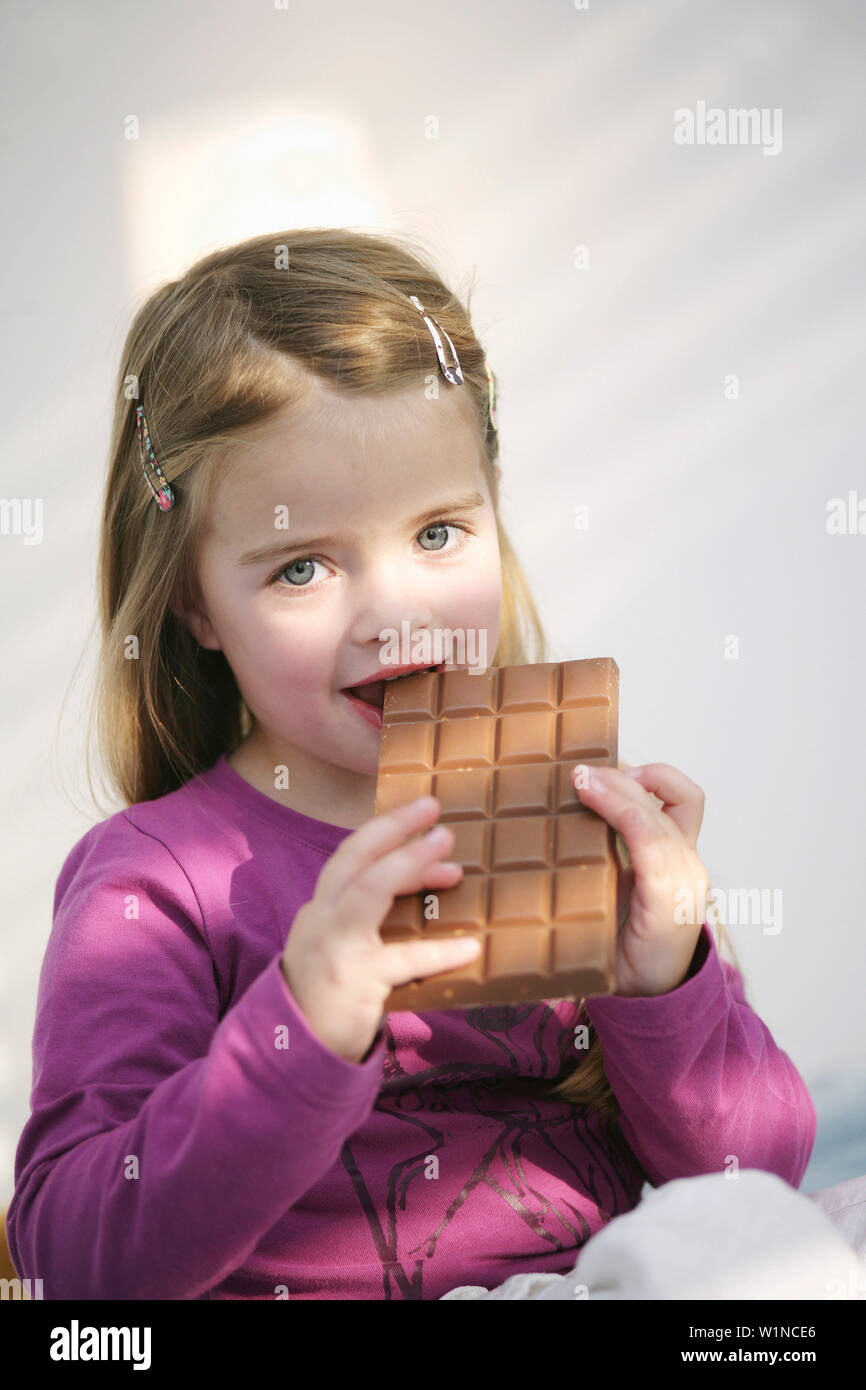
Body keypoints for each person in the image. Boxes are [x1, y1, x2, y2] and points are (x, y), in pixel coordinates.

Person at [5, 228, 816, 1300]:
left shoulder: (557, 813)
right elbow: (75, 1268)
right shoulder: (154, 884)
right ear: (194, 602)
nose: (395, 611)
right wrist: (304, 1016)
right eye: (301, 565)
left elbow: (751, 1180)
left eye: (437, 532)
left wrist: (662, 977)